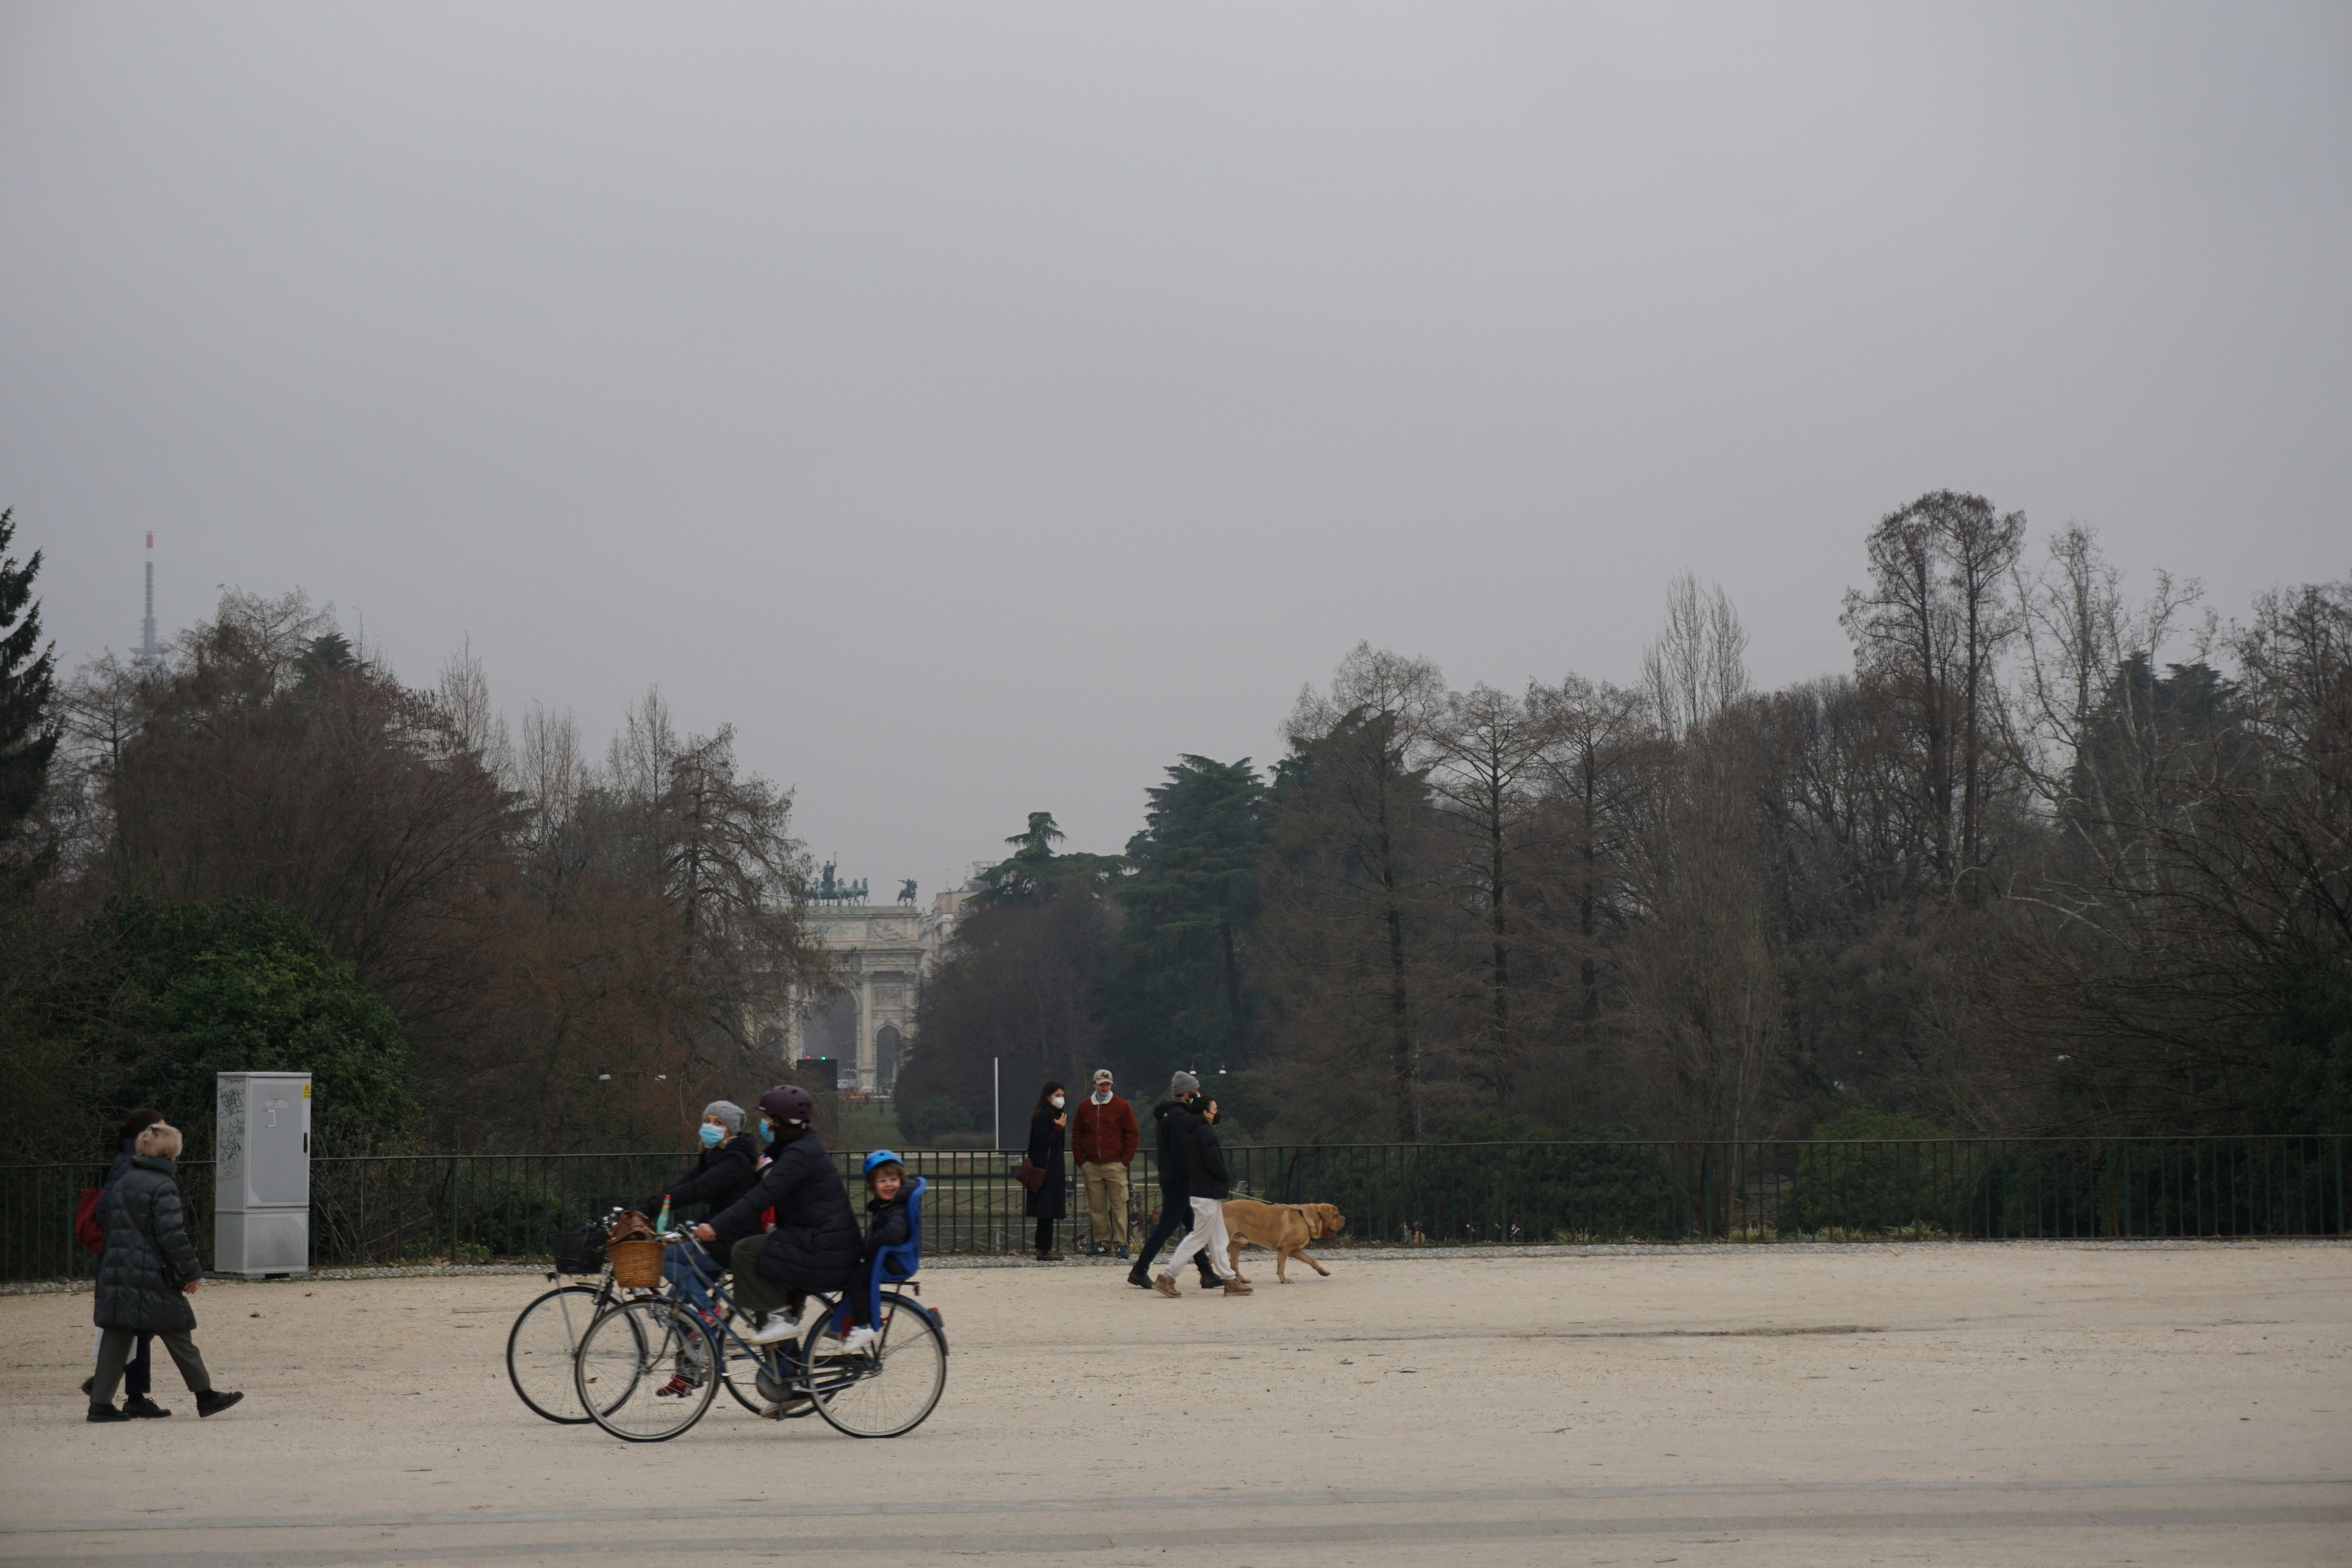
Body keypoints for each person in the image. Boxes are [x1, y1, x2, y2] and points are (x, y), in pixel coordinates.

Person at [695, 1085, 860, 1415]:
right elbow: (752, 1189)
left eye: (768, 1118)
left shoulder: (800, 1154)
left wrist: (718, 1226)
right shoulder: (788, 1147)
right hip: (809, 1239)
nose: (765, 1124)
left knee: (745, 1254)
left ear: (781, 1120)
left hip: (823, 1245)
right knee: (762, 1287)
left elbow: (762, 1197)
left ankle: (783, 1322)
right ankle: (789, 1382)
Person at [88, 1123, 244, 1421]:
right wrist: (190, 1273)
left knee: (117, 1335)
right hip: (150, 1274)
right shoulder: (162, 1185)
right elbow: (173, 1236)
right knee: (177, 1331)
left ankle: (100, 1404)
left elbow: (108, 1219)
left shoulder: (125, 1179)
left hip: (118, 1269)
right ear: (171, 1152)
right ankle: (205, 1396)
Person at [626, 1100, 760, 1314]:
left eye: (719, 1123)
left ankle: (712, 1313)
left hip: (731, 1240)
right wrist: (642, 1209)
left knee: (661, 1258)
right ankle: (702, 1339)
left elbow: (698, 1189)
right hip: (716, 1235)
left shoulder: (736, 1161)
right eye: (707, 1121)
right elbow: (680, 1187)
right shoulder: (715, 1156)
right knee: (672, 1312)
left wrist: (650, 1209)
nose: (710, 1127)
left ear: (730, 1130)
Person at [80, 1109, 166, 1415]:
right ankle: (124, 1391)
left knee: (137, 1326)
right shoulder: (130, 1165)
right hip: (128, 1257)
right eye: (161, 1128)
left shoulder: (130, 1163)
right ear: (147, 1133)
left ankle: (126, 1391)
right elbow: (105, 1211)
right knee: (136, 1325)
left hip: (127, 1255)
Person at [1126, 1071, 1221, 1291]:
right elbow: (1183, 1150)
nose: (1197, 1094)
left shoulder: (1168, 1114)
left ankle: (1207, 1273)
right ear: (1188, 1092)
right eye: (1195, 1090)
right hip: (1180, 1178)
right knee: (1168, 1226)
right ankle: (1140, 1270)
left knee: (1192, 1227)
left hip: (1172, 1176)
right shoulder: (1179, 1116)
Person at [1153, 1096, 1251, 1297]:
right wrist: (1225, 1177)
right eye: (1214, 1109)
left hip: (1203, 1190)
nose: (1217, 1113)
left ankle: (1230, 1280)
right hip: (1207, 1191)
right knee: (1199, 1237)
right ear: (1206, 1113)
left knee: (1219, 1237)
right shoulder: (1206, 1132)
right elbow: (1213, 1161)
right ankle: (1168, 1277)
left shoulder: (1193, 1131)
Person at [831, 1149, 913, 1354]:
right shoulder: (886, 1206)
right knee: (852, 1274)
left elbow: (894, 1234)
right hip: (887, 1259)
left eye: (893, 1179)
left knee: (858, 1280)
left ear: (901, 1182)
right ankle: (850, 1321)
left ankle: (862, 1326)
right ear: (874, 1188)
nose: (889, 1185)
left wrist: (870, 1246)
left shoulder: (897, 1209)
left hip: (893, 1262)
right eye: (883, 1181)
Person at [1071, 1069, 1139, 1258]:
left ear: (1111, 1085)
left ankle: (1121, 1243)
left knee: (1119, 1205)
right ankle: (1103, 1243)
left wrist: (1125, 1161)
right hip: (1091, 1165)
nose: (1104, 1087)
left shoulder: (1122, 1106)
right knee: (1097, 1207)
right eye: (1101, 1084)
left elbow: (1132, 1134)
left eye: (1107, 1084)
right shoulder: (1084, 1107)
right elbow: (1077, 1134)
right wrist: (1082, 1161)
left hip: (1115, 1165)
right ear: (1094, 1085)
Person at [1025, 1081, 1069, 1261]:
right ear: (1048, 1096)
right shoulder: (1043, 1116)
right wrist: (1058, 1128)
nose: (1061, 1099)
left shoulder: (1052, 1115)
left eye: (1062, 1096)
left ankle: (1044, 1248)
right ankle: (1045, 1249)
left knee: (1048, 1211)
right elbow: (1043, 1141)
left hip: (1052, 1168)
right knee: (1046, 1210)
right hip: (1046, 1170)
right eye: (1058, 1095)